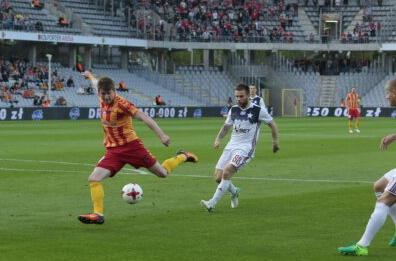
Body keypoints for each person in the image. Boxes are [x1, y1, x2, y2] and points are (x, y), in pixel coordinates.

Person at [78, 71, 198, 224]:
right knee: (94, 179)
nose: (106, 97)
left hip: (132, 147)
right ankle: (98, 214)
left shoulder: (122, 104)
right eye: (103, 94)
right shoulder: (101, 96)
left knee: (162, 173)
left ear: (114, 91)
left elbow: (144, 117)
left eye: (109, 94)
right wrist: (89, 76)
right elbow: (95, 83)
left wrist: (162, 135)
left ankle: (183, 156)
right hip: (113, 151)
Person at [338, 79, 396, 256]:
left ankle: (362, 245)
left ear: (395, 93)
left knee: (383, 202)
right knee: (379, 187)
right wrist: (395, 136)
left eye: (387, 93)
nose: (386, 96)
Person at [201, 84, 279, 211]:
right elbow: (226, 126)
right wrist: (218, 139)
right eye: (236, 96)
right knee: (218, 178)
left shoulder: (258, 110)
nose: (238, 99)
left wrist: (275, 142)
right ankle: (235, 191)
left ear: (248, 95)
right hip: (231, 145)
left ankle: (212, 203)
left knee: (227, 172)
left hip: (245, 148)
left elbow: (272, 124)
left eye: (241, 96)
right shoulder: (234, 109)